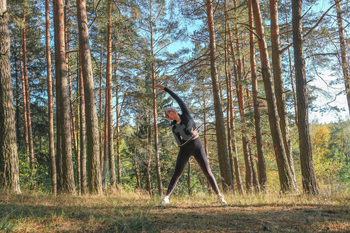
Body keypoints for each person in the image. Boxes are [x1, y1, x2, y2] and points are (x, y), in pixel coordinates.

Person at [155, 84, 227, 205]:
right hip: (184, 150)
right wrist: (191, 136)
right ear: (169, 117)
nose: (171, 110)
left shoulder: (186, 114)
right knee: (177, 174)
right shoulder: (173, 126)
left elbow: (178, 99)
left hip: (198, 148)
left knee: (208, 172)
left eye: (171, 108)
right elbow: (179, 142)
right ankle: (166, 198)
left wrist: (166, 89)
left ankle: (220, 196)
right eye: (168, 112)